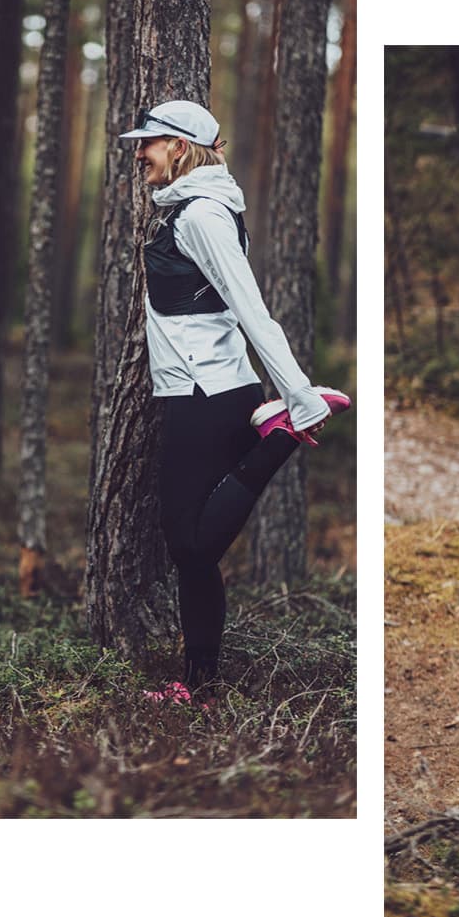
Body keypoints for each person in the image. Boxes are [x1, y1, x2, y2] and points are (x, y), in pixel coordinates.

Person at [120, 100, 350, 700]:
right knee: (194, 555)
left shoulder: (202, 216)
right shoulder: (192, 209)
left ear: (179, 147)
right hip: (202, 388)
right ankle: (198, 684)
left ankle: (279, 438)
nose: (139, 152)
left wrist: (299, 395)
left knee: (190, 546)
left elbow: (251, 309)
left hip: (209, 390)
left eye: (149, 142)